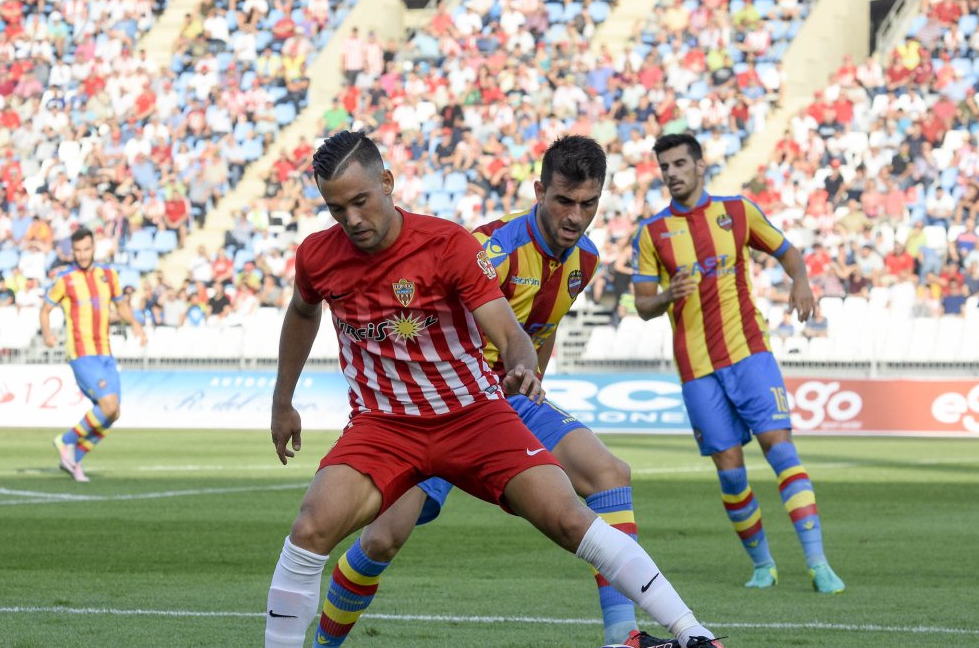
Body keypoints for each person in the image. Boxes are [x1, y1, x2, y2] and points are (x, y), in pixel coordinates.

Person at [265, 131, 722, 648]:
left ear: (387, 183)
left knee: (575, 512)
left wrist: (524, 366)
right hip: (385, 425)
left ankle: (689, 634)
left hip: (476, 413)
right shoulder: (321, 255)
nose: (351, 219)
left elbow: (512, 332)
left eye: (360, 201)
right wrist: (283, 401)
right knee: (326, 531)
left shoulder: (451, 245)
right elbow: (303, 310)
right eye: (336, 208)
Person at [631, 133, 845, 594]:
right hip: (696, 368)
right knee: (730, 471)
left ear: (700, 165)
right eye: (665, 166)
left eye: (679, 163)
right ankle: (764, 566)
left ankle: (818, 563)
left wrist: (801, 281)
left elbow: (789, 252)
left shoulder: (738, 212)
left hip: (749, 352)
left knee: (780, 450)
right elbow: (642, 304)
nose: (671, 173)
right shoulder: (651, 233)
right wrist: (667, 295)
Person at [39, 227, 147, 483]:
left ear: (94, 248)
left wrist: (135, 324)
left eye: (86, 249)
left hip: (105, 352)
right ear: (72, 252)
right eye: (77, 250)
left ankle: (74, 459)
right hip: (81, 352)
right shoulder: (65, 279)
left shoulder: (108, 275)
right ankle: (65, 441)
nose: (82, 254)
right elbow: (45, 310)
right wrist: (47, 334)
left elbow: (121, 305)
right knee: (108, 405)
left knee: (113, 413)